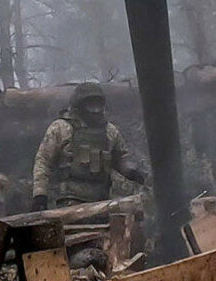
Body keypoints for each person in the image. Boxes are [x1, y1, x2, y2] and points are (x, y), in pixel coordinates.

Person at [30, 82, 147, 210]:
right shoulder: (61, 128)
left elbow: (121, 158)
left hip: (102, 201)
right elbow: (43, 162)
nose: (95, 110)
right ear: (79, 105)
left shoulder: (109, 131)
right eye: (90, 105)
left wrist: (133, 172)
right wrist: (40, 195)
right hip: (69, 201)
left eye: (98, 105)